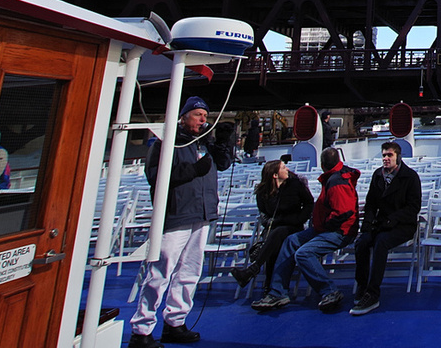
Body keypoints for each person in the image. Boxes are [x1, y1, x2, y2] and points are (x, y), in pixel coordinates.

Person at [130, 96, 235, 348]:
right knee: (160, 271)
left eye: (205, 116)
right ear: (185, 116)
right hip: (177, 214)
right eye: (198, 114)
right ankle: (142, 329)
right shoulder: (167, 143)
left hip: (202, 214)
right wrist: (192, 171)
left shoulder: (205, 141)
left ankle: (175, 321)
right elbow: (156, 177)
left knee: (189, 272)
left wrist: (223, 142)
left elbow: (223, 164)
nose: (203, 120)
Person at [252, 147, 359, 314]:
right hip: (324, 228)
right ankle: (277, 292)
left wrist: (324, 224)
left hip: (338, 232)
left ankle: (329, 291)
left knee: (303, 253)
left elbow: (343, 213)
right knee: (290, 241)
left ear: (323, 165)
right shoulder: (332, 178)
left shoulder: (337, 182)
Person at [348, 140, 422, 316]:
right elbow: (371, 203)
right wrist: (367, 225)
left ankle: (373, 293)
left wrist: (392, 220)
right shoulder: (378, 175)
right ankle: (362, 285)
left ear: (398, 156)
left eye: (390, 155)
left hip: (402, 225)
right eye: (384, 155)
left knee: (381, 243)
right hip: (381, 224)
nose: (386, 159)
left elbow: (413, 207)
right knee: (362, 242)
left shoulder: (410, 177)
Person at [232, 159, 313, 293]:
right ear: (275, 175)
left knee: (276, 235)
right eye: (283, 168)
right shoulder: (263, 192)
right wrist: (271, 222)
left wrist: (299, 219)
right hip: (274, 228)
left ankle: (258, 274)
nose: (287, 169)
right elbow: (263, 215)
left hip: (293, 226)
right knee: (274, 240)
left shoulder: (295, 185)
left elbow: (309, 203)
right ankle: (270, 287)